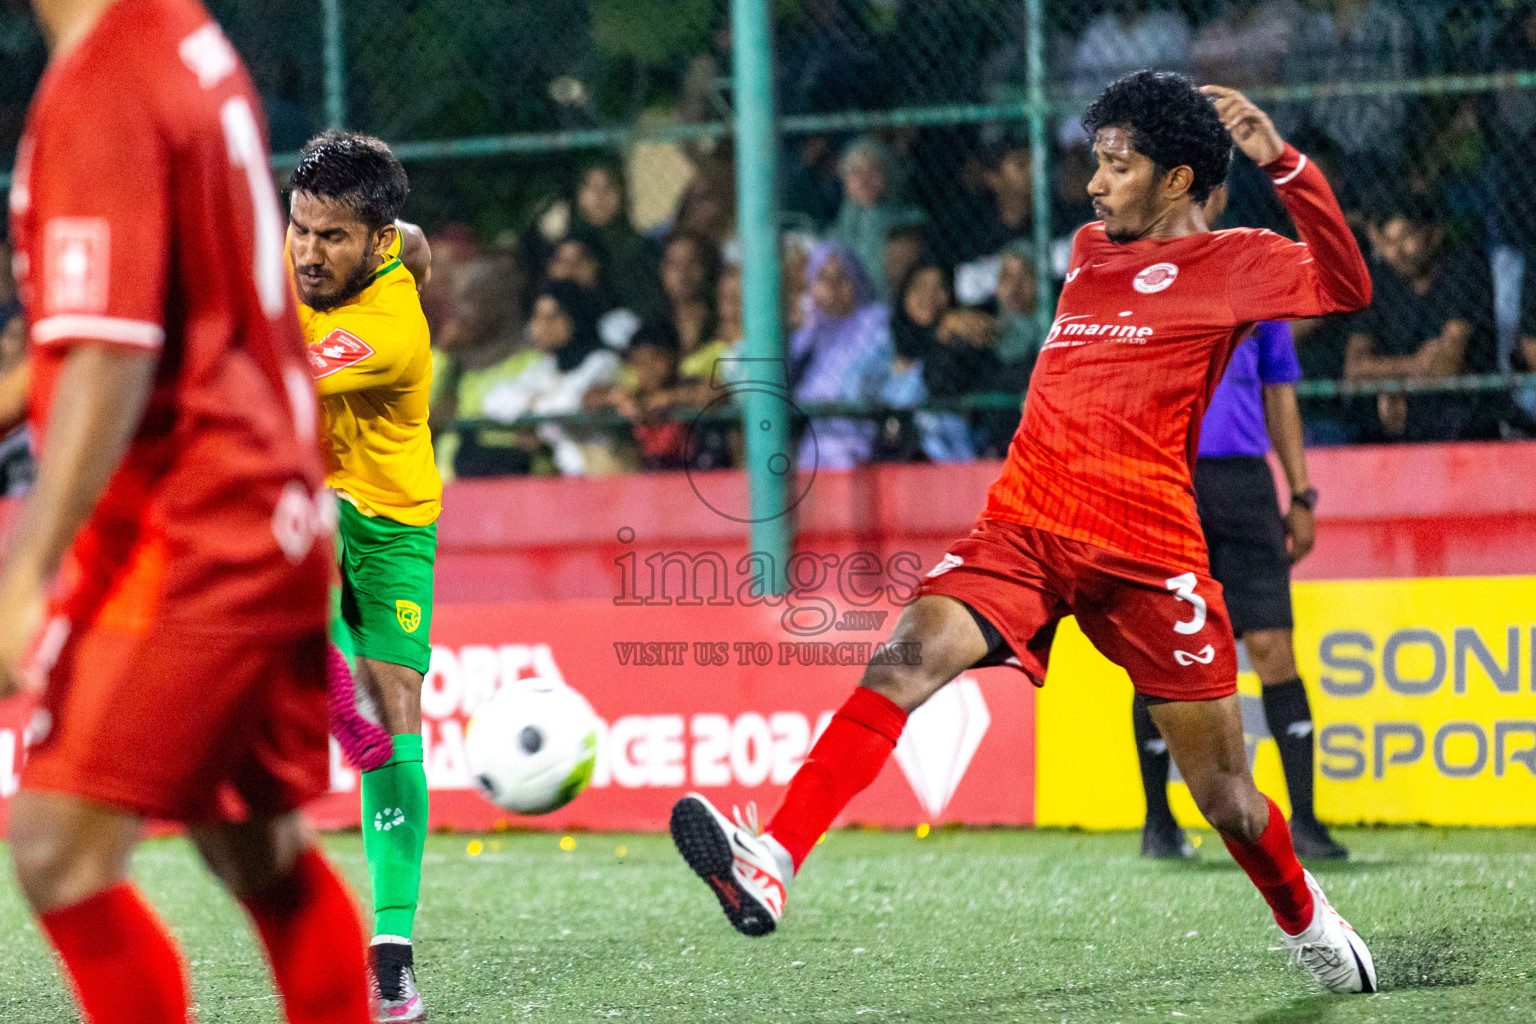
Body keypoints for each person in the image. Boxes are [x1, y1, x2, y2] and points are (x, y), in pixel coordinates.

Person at [670, 72, 1380, 995]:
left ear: (1176, 182)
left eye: (1118, 165)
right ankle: (772, 858)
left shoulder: (1236, 262)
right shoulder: (1088, 250)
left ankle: (1308, 921)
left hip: (1149, 552)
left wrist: (1281, 165)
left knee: (1232, 805)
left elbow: (1348, 285)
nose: (1094, 182)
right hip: (1025, 528)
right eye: (1096, 161)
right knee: (899, 665)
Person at [1, 2, 371, 1023]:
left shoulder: (105, 82)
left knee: (57, 849)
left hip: (198, 528)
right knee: (255, 844)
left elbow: (113, 355)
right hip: (266, 505)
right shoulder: (177, 37)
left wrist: (26, 569)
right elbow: (129, 315)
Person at [1128, 188, 1345, 863]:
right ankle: (1159, 824)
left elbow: (1279, 391)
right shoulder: (1134, 280)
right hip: (1166, 481)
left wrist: (1301, 493)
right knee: (1163, 652)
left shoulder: (1252, 279)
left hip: (1246, 486)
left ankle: (1305, 821)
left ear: (1213, 195)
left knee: (1274, 648)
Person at [287, 131, 441, 1022]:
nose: (309, 252)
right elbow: (418, 242)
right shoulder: (365, 243)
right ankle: (319, 667)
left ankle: (390, 952)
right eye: (301, 229)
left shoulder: (386, 327)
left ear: (373, 243)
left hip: (392, 520)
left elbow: (270, 381)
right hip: (314, 501)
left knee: (397, 714)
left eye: (332, 238)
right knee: (289, 514)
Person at [1344, 200, 1496, 441]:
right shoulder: (1381, 284)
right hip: (1398, 413)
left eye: (1406, 237)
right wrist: (1405, 373)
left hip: (1459, 411)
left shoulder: (1462, 273)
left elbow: (1447, 368)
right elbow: (1353, 369)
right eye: (1389, 242)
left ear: (1434, 234)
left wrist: (1385, 373)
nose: (1397, 251)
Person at [788, 241, 895, 471]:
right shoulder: (807, 333)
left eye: (842, 277)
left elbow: (859, 385)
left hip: (862, 441)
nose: (833, 287)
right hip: (814, 448)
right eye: (823, 278)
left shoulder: (876, 322)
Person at [828, 135, 927, 301]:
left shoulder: (909, 222)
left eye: (873, 171)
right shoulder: (842, 225)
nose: (864, 180)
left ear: (889, 174)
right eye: (855, 172)